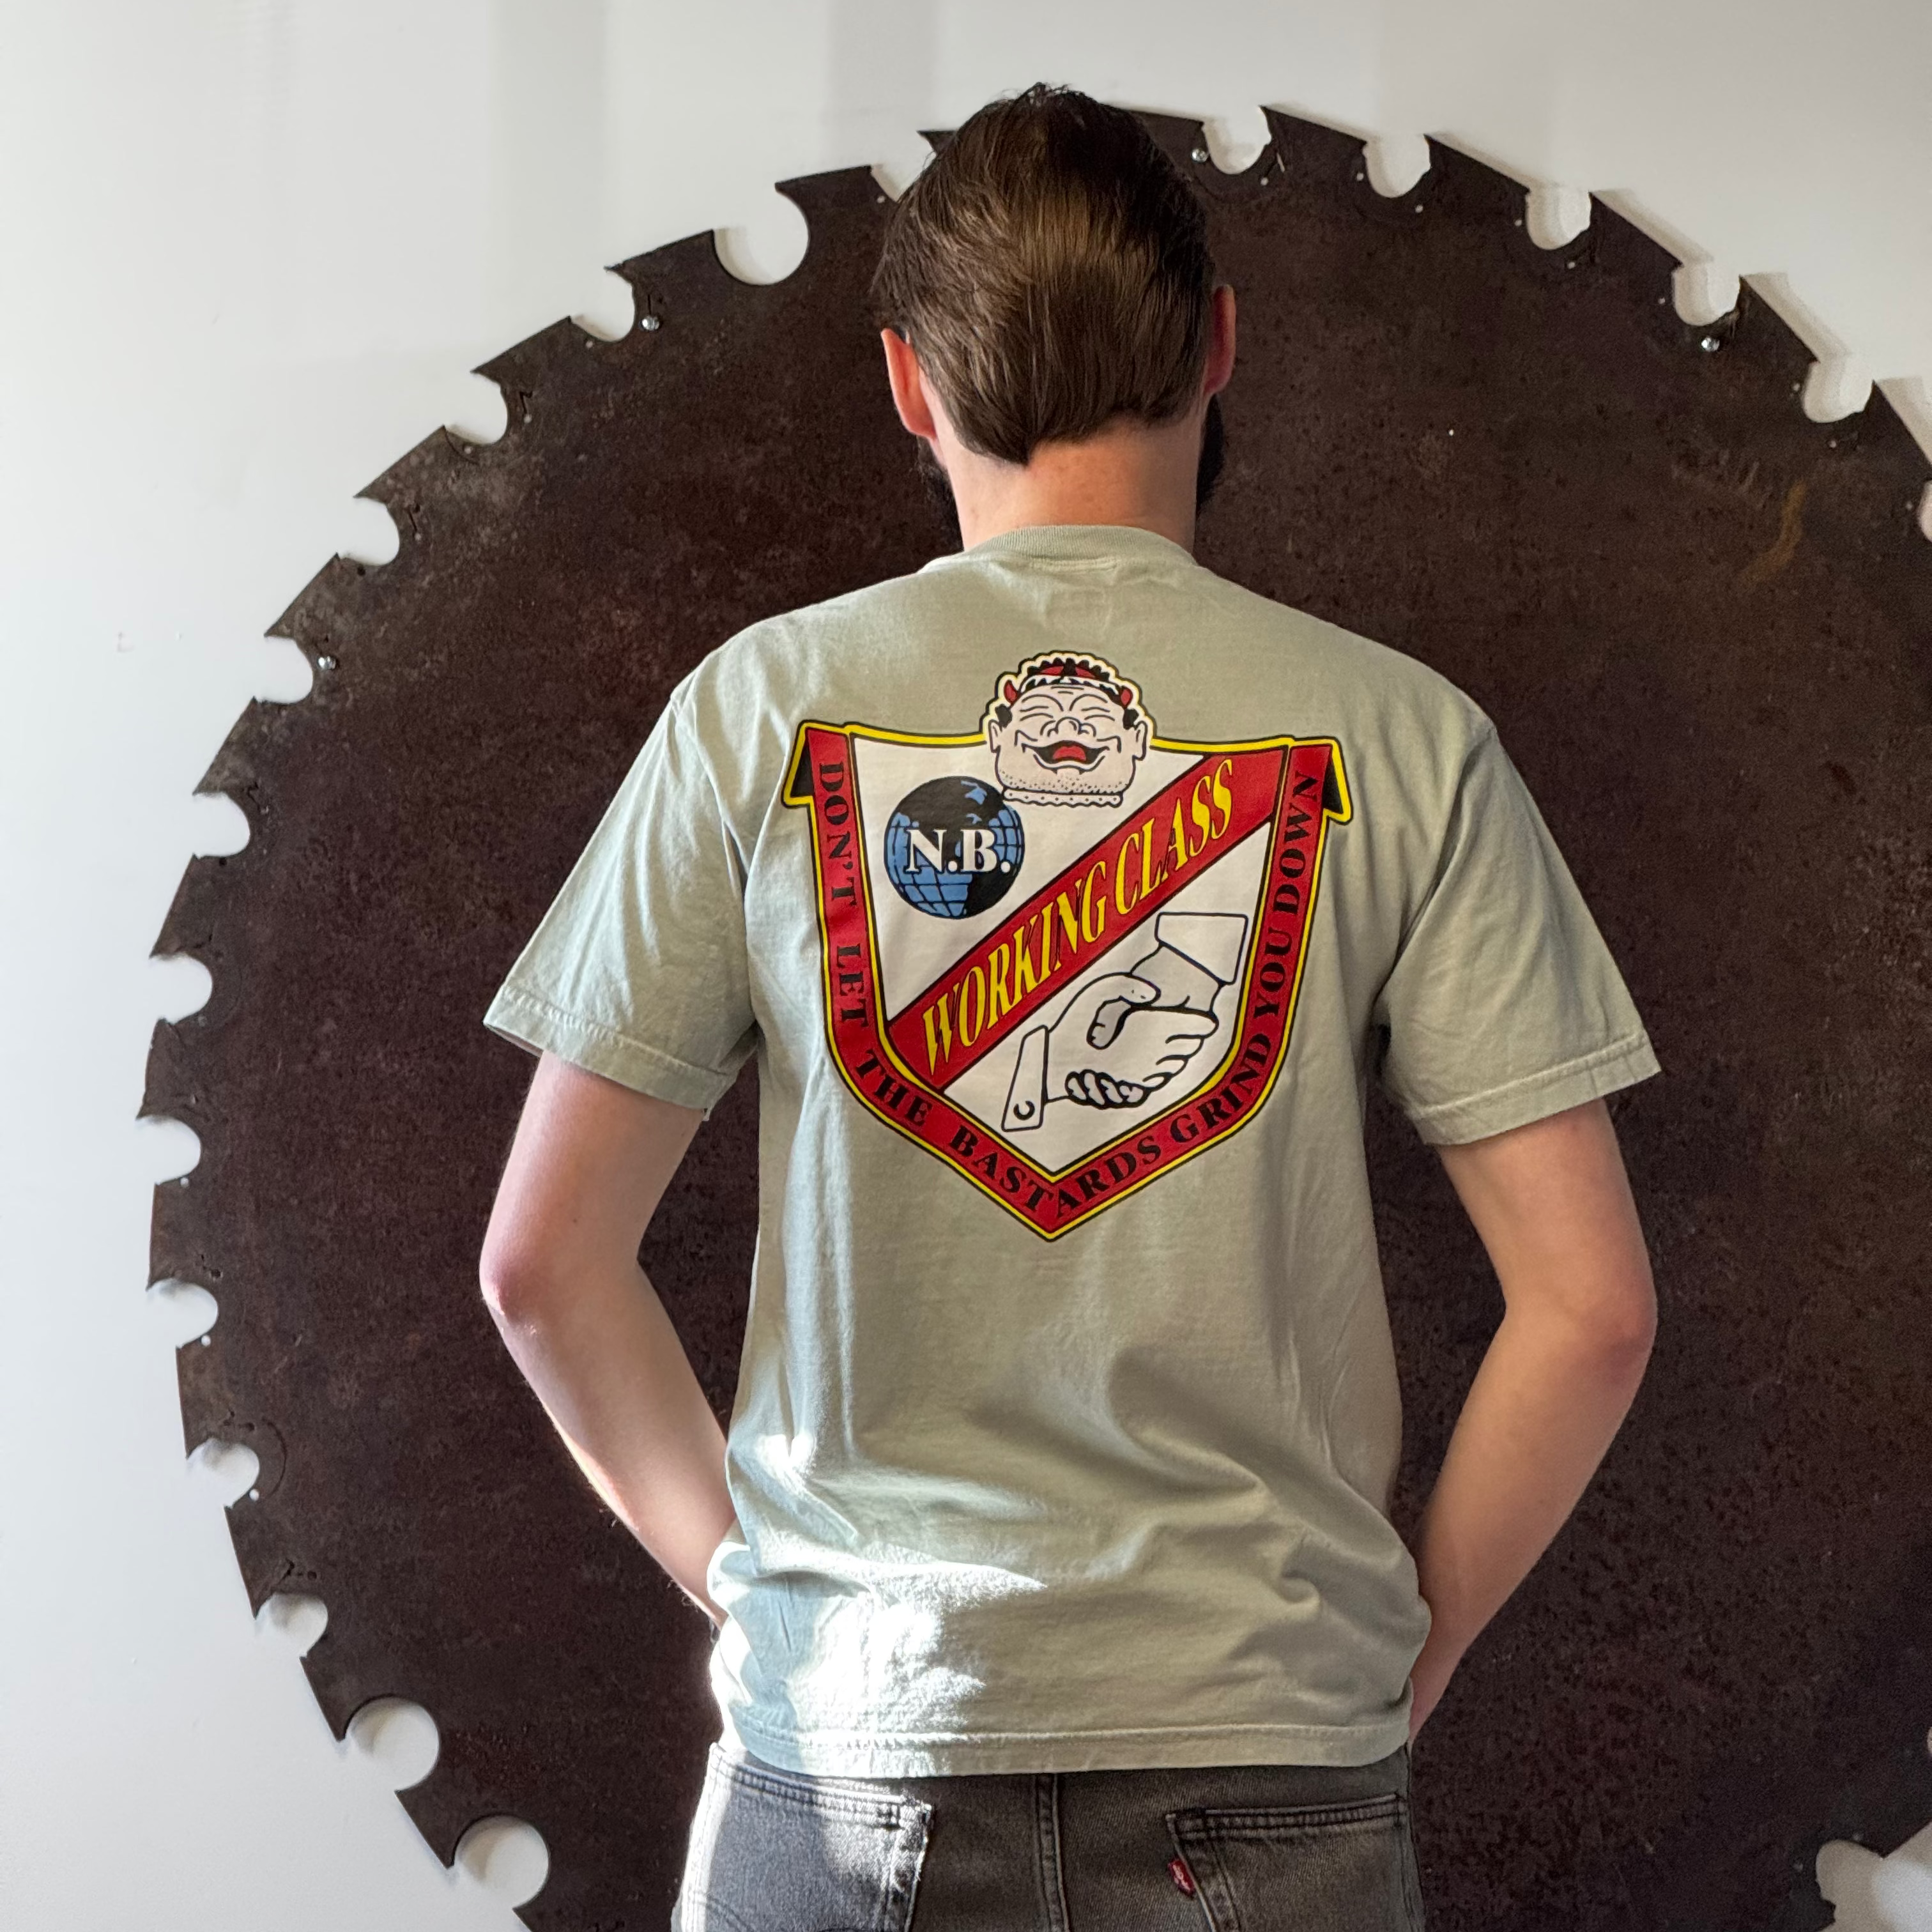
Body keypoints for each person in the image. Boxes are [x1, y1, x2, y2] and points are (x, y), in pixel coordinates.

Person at [478, 84, 1659, 1929]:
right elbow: (1590, 1312)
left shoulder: (757, 714)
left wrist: (779, 1605)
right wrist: (1382, 1650)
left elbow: (542, 1266)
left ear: (903, 382)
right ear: (1219, 348)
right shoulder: (1404, 735)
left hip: (857, 1741)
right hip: (1269, 1743)